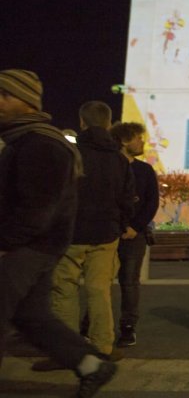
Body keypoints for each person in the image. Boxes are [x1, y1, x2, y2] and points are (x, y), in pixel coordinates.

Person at [0, 69, 117, 396]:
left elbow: (37, 207)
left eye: (4, 95)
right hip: (40, 244)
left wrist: (6, 243)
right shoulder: (25, 140)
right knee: (32, 317)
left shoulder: (39, 144)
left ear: (26, 100)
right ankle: (91, 365)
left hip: (27, 246)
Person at [37, 101, 135, 371]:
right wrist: (119, 224)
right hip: (106, 234)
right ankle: (103, 346)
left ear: (82, 122)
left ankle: (68, 351)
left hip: (71, 233)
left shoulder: (69, 153)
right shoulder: (119, 159)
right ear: (108, 124)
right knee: (99, 290)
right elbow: (127, 198)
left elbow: (54, 193)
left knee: (64, 289)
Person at [109, 122, 159, 348]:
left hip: (134, 235)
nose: (142, 142)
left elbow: (151, 203)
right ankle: (91, 323)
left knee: (129, 282)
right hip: (110, 232)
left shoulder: (145, 170)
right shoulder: (109, 166)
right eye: (138, 138)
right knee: (99, 282)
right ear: (124, 141)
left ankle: (128, 327)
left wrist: (135, 227)